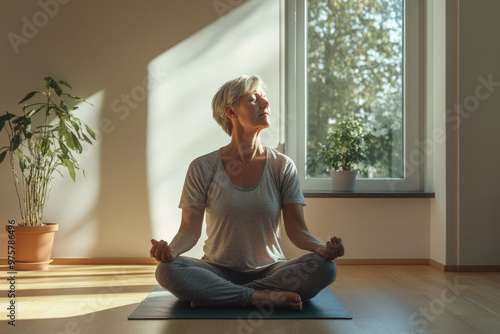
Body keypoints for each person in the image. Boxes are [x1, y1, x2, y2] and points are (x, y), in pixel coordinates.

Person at [150, 75, 345, 310]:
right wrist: (171, 250)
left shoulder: (282, 166)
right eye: (254, 99)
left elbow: (297, 229)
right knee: (167, 270)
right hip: (216, 270)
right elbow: (189, 230)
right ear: (231, 112)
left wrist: (320, 249)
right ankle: (258, 297)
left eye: (265, 99)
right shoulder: (202, 167)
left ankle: (223, 295)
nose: (265, 104)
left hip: (272, 270)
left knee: (325, 267)